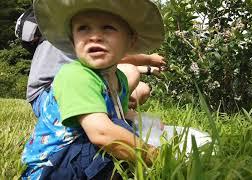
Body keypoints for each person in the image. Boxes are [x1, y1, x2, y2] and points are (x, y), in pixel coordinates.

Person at [21, 0, 165, 179]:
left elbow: (120, 112)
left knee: (126, 126)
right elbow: (102, 133)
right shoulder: (76, 75)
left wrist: (148, 122)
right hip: (53, 166)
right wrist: (156, 156)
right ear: (73, 41)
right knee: (117, 133)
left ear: (131, 41)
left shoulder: (118, 78)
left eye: (107, 27)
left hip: (78, 154)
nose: (94, 36)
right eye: (83, 28)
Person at [27, 39, 166, 111]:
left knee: (142, 90)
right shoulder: (84, 21)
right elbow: (115, 57)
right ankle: (109, 114)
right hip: (46, 95)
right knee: (131, 72)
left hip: (61, 88)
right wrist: (149, 59)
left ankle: (118, 110)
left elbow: (110, 63)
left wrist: (148, 69)